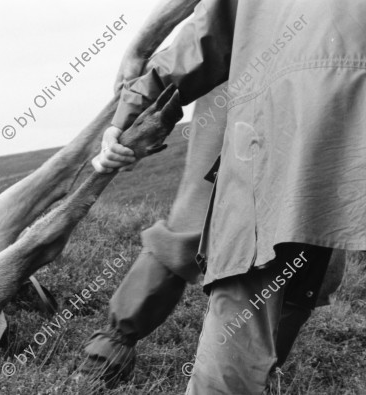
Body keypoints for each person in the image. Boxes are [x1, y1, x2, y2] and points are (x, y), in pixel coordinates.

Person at [86, 0, 364, 393]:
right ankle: (110, 352)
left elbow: (207, 33)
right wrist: (135, 107)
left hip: (303, 117)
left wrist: (134, 106)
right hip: (259, 98)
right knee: (217, 234)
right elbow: (210, 32)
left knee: (288, 255)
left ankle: (245, 373)